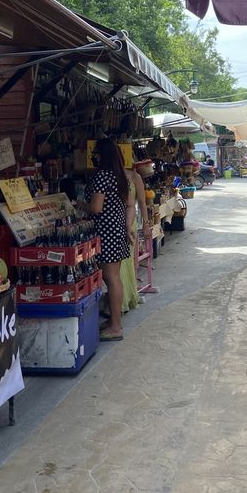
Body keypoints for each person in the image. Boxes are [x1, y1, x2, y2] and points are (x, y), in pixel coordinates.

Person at [86, 138, 132, 341]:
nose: (93, 156)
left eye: (95, 153)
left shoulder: (103, 176)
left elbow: (96, 207)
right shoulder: (119, 175)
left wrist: (80, 204)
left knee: (111, 278)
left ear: (102, 156)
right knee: (114, 278)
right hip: (117, 230)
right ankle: (115, 321)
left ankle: (115, 327)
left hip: (106, 231)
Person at [120, 166, 151, 312]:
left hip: (130, 223)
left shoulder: (135, 177)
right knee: (116, 266)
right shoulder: (112, 175)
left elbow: (142, 202)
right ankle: (119, 299)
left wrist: (146, 224)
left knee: (128, 261)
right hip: (114, 222)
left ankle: (127, 298)